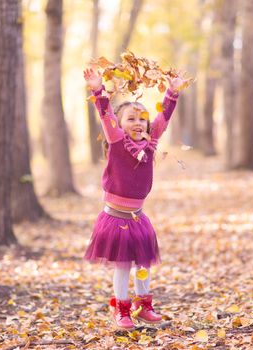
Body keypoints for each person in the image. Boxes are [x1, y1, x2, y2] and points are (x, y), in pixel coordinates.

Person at [83, 67, 188, 330]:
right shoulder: (117, 141)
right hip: (115, 218)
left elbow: (163, 117)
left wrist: (172, 92)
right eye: (131, 119)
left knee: (143, 264)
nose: (138, 123)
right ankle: (122, 309)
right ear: (120, 124)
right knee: (123, 266)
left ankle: (144, 305)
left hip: (138, 218)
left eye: (142, 119)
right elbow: (105, 115)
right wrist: (98, 90)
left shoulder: (151, 142)